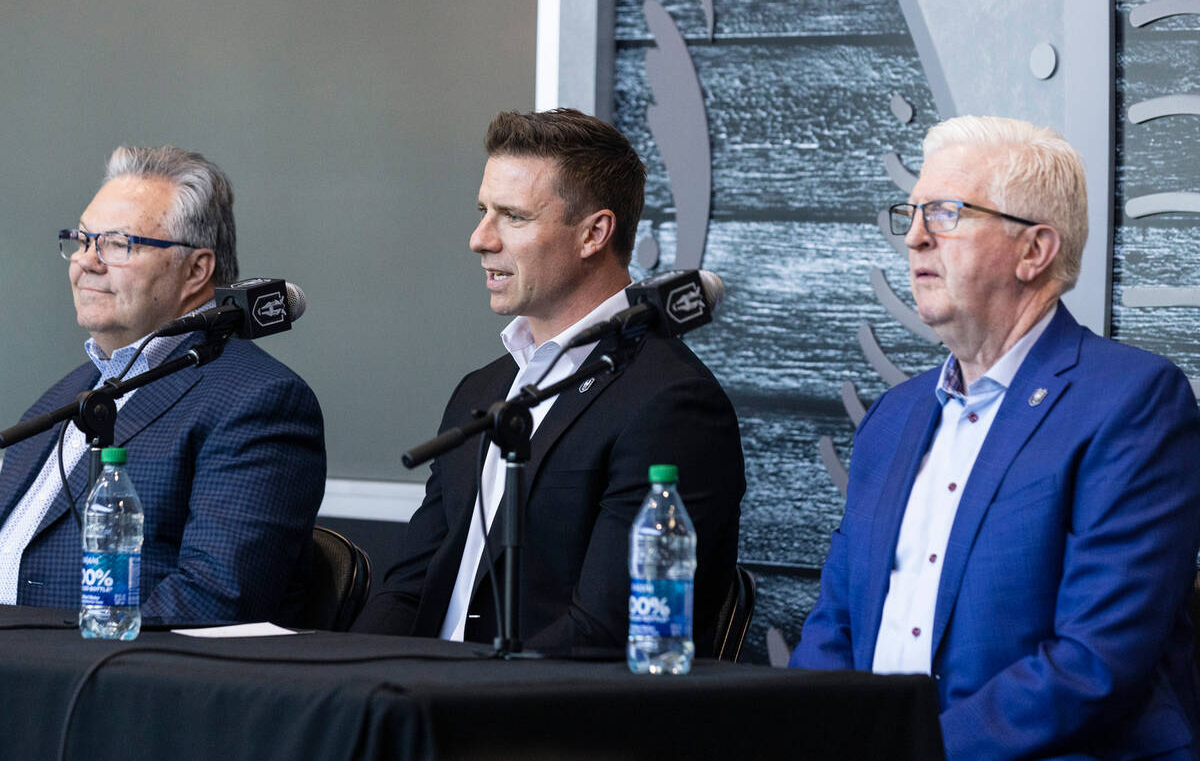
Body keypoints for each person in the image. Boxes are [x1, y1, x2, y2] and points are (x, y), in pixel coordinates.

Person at [791, 115, 1200, 759]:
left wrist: (913, 751)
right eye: (914, 212)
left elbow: (1096, 662)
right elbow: (833, 625)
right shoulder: (893, 417)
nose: (916, 239)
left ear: (1033, 251)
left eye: (948, 213)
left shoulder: (1131, 401)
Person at [353, 108, 745, 652]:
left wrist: (449, 693)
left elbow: (608, 632)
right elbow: (408, 590)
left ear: (593, 234)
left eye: (512, 216)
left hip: (537, 720)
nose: (479, 239)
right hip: (421, 702)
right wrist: (346, 681)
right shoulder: (483, 390)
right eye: (483, 211)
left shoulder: (671, 402)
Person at [0, 145, 326, 624]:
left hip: (94, 683)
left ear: (196, 269)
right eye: (82, 240)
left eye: (116, 244)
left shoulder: (258, 400)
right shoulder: (62, 398)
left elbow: (214, 599)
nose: (86, 262)